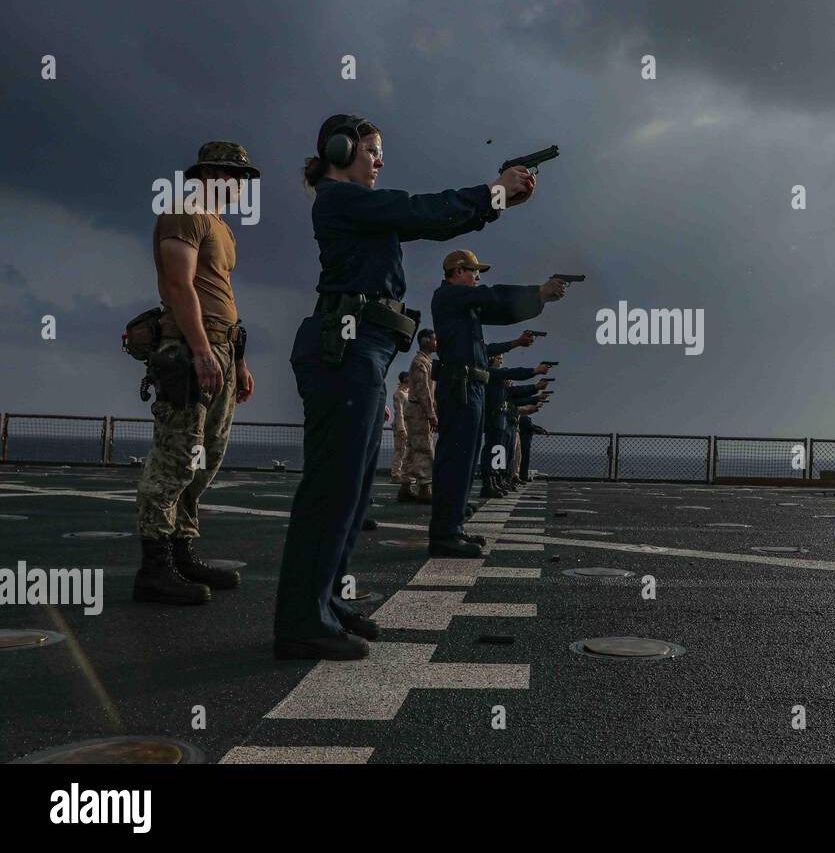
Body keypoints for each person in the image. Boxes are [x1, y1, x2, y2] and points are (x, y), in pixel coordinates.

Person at [273, 114, 537, 661]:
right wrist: (494, 192)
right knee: (333, 486)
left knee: (351, 486)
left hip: (361, 349)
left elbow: (430, 220)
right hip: (345, 350)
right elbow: (421, 212)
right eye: (371, 149)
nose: (379, 160)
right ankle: (302, 619)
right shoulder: (339, 199)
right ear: (339, 149)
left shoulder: (358, 208)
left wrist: (497, 200)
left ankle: (325, 601)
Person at [135, 142, 257, 605]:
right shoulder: (184, 213)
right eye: (232, 174)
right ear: (206, 173)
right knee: (176, 455)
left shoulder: (221, 228)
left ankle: (181, 549)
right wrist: (202, 351)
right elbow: (178, 284)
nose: (240, 184)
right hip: (190, 347)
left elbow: (219, 293)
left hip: (221, 346)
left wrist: (237, 359)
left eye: (244, 177)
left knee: (206, 457)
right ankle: (154, 567)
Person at [428, 250, 566, 557]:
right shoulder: (449, 296)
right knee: (457, 459)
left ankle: (453, 528)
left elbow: (502, 311)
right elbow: (495, 297)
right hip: (461, 385)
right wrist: (538, 291)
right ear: (458, 271)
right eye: (474, 271)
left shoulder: (464, 305)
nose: (478, 278)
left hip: (470, 386)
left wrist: (538, 301)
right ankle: (445, 533)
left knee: (463, 460)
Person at [479, 355, 549, 498]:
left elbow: (518, 393)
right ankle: (490, 482)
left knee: (501, 453)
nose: (501, 360)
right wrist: (535, 374)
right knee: (494, 451)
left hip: (502, 422)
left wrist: (535, 392)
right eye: (498, 358)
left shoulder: (501, 387)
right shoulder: (492, 377)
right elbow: (515, 383)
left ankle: (496, 480)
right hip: (495, 420)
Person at [398, 331, 438, 502]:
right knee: (424, 449)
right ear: (425, 341)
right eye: (434, 339)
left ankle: (405, 487)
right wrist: (431, 414)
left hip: (416, 410)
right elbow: (424, 392)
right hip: (419, 411)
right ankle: (424, 488)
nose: (437, 342)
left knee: (412, 450)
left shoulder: (425, 362)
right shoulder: (420, 362)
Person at [390, 371, 410, 481]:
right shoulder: (399, 394)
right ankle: (395, 474)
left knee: (405, 450)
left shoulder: (407, 392)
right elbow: (399, 413)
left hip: (408, 424)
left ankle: (401, 472)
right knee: (400, 450)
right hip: (401, 425)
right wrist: (401, 429)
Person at [518, 406, 547, 483]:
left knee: (523, 460)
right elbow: (531, 426)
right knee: (523, 460)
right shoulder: (524, 418)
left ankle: (523, 476)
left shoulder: (523, 418)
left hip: (525, 441)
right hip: (524, 442)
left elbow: (532, 425)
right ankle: (523, 476)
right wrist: (542, 431)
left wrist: (542, 430)